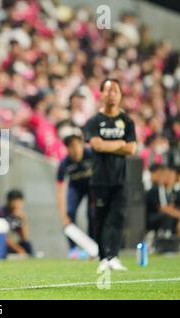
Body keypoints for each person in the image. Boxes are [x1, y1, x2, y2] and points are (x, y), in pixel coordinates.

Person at [83, 78, 137, 273]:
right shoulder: (94, 121)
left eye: (115, 91)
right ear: (101, 94)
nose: (112, 94)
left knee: (117, 218)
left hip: (120, 179)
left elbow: (131, 148)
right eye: (108, 91)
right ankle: (102, 257)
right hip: (99, 179)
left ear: (121, 95)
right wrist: (119, 145)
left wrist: (110, 146)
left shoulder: (127, 122)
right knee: (100, 219)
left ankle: (113, 256)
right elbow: (96, 145)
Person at [55, 134, 94, 259]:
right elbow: (60, 190)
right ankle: (73, 249)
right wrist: (63, 215)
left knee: (92, 215)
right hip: (75, 188)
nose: (76, 149)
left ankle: (93, 248)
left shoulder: (92, 155)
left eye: (78, 145)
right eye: (72, 146)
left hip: (92, 187)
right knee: (70, 214)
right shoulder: (64, 164)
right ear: (67, 149)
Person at [146, 166, 180, 239]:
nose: (169, 178)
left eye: (171, 176)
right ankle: (166, 238)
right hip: (151, 218)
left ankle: (176, 239)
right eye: (167, 175)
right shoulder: (155, 189)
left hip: (166, 216)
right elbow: (162, 208)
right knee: (167, 216)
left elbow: (172, 206)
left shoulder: (173, 191)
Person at [0, 190, 33, 256]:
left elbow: (24, 237)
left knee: (27, 245)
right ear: (9, 201)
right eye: (15, 201)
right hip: (4, 243)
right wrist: (19, 250)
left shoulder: (19, 215)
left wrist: (23, 219)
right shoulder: (1, 213)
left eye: (20, 202)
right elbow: (3, 237)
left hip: (16, 243)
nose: (17, 204)